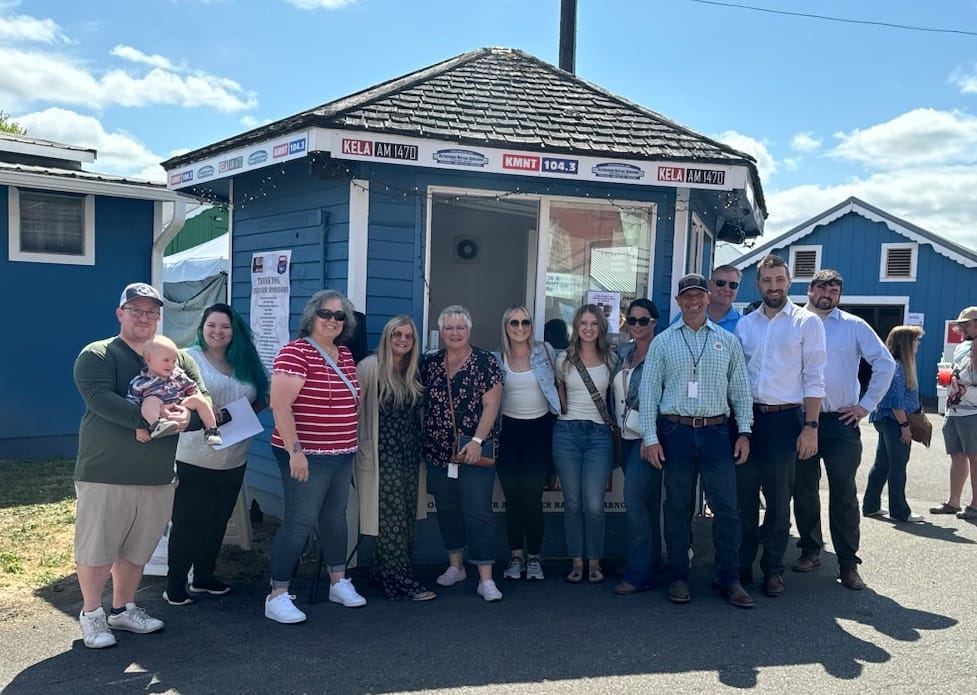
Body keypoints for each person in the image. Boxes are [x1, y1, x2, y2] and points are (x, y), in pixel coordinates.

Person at [73, 282, 203, 649]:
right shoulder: (97, 355)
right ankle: (92, 614)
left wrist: (186, 419)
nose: (145, 318)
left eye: (151, 312)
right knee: (97, 549)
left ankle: (123, 609)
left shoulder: (175, 356)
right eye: (136, 310)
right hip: (105, 473)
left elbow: (200, 397)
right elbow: (101, 400)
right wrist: (155, 420)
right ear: (120, 314)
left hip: (157, 475)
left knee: (137, 549)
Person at [637, 274, 754, 608]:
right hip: (676, 432)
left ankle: (729, 578)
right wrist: (650, 436)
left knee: (728, 509)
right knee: (676, 506)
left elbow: (740, 390)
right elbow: (649, 393)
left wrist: (744, 431)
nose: (693, 301)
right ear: (678, 301)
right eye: (687, 296)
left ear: (707, 298)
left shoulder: (727, 340)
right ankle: (679, 576)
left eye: (699, 296)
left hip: (718, 431)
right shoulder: (662, 342)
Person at [265, 290, 366, 624]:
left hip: (341, 453)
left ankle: (338, 581)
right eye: (326, 314)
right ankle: (277, 594)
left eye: (340, 316)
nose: (333, 321)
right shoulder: (295, 353)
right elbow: (280, 406)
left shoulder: (346, 355)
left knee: (335, 518)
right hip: (306, 455)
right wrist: (296, 452)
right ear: (311, 316)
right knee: (299, 522)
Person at [791, 270, 895, 591]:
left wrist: (866, 405)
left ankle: (848, 563)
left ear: (839, 295)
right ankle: (810, 550)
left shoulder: (854, 326)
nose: (828, 293)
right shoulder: (791, 321)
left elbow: (885, 362)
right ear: (809, 290)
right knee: (804, 489)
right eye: (822, 287)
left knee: (844, 493)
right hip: (800, 421)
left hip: (841, 422)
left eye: (834, 289)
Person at [164, 303, 269, 606]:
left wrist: (244, 414)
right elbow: (175, 400)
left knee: (217, 519)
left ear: (234, 331)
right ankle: (175, 584)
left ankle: (204, 577)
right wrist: (210, 412)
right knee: (187, 521)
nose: (217, 332)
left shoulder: (246, 362)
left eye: (224, 326)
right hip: (194, 455)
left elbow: (260, 397)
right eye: (212, 326)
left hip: (234, 455)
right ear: (202, 327)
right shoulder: (189, 358)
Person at [736, 255, 826, 598]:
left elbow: (814, 378)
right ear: (758, 284)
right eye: (766, 281)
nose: (773, 286)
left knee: (777, 502)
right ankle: (741, 567)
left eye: (779, 280)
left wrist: (811, 426)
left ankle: (772, 569)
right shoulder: (746, 324)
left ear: (789, 282)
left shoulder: (807, 323)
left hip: (784, 419)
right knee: (742, 498)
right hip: (746, 418)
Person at [419, 305, 504, 602]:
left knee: (478, 512)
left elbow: (492, 404)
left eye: (460, 327)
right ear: (441, 332)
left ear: (469, 330)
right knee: (448, 510)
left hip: (474, 451)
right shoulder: (429, 363)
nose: (454, 333)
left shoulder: (484, 362)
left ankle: (486, 578)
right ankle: (456, 566)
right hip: (438, 452)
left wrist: (478, 440)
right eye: (448, 328)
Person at [355, 315, 434, 601]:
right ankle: (400, 582)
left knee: (406, 516)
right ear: (387, 337)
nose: (402, 340)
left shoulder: (414, 371)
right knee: (390, 520)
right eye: (396, 334)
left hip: (410, 454)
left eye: (408, 336)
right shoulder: (369, 368)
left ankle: (381, 571)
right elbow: (353, 410)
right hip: (381, 454)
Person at [495, 306, 562, 582]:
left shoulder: (546, 351)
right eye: (514, 322)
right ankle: (515, 556)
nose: (520, 327)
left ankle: (534, 558)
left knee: (532, 498)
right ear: (506, 325)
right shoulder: (496, 358)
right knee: (513, 499)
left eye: (525, 321)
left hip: (540, 430)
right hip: (508, 432)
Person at [553, 304, 616, 585]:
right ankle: (577, 561)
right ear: (576, 327)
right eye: (583, 323)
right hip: (566, 432)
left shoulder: (611, 360)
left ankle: (595, 561)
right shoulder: (562, 359)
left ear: (600, 327)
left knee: (593, 504)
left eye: (594, 323)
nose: (588, 328)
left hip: (599, 435)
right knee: (573, 502)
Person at [611, 298, 662, 595]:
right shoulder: (625, 352)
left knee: (634, 503)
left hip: (648, 439)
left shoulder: (662, 351)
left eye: (644, 320)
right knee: (647, 504)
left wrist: (651, 438)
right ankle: (650, 564)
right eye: (633, 320)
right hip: (625, 437)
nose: (638, 325)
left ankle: (637, 574)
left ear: (654, 322)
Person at [863, 325, 926, 523]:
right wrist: (904, 425)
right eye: (916, 340)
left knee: (882, 463)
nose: (918, 344)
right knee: (898, 465)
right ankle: (899, 510)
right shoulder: (898, 367)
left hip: (884, 420)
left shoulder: (891, 365)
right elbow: (895, 400)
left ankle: (871, 505)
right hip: (894, 421)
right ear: (906, 343)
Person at [128, 335, 222, 446]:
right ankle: (157, 425)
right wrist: (139, 428)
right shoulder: (140, 382)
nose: (171, 365)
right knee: (150, 401)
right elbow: (132, 404)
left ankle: (211, 430)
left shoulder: (177, 375)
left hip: (180, 404)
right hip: (159, 407)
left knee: (199, 399)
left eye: (174, 361)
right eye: (166, 360)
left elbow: (191, 387)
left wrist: (197, 400)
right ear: (149, 359)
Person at [931, 307, 977, 519]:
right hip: (955, 409)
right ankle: (953, 502)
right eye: (961, 325)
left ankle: (975, 505)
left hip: (973, 411)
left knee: (975, 458)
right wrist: (948, 380)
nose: (961, 329)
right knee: (957, 456)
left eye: (966, 324)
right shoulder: (962, 347)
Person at [706, 265, 744, 333]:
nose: (726, 289)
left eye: (733, 285)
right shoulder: (688, 317)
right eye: (721, 283)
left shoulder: (744, 324)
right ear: (710, 284)